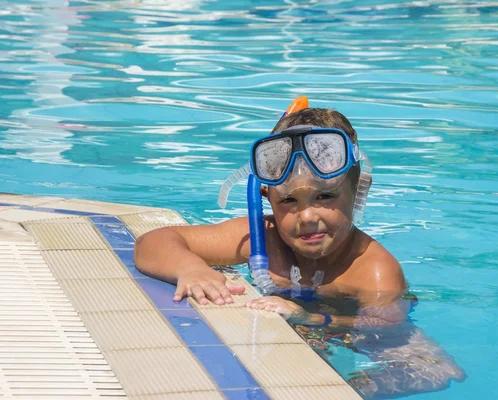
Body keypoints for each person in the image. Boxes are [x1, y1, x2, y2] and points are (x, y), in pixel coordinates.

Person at [134, 97, 465, 397]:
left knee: (434, 368)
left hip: (342, 329)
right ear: (267, 196)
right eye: (289, 200)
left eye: (325, 196)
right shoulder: (261, 239)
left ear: (358, 188)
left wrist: (312, 319)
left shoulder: (372, 269)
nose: (307, 217)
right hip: (300, 332)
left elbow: (386, 328)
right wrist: (190, 268)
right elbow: (153, 243)